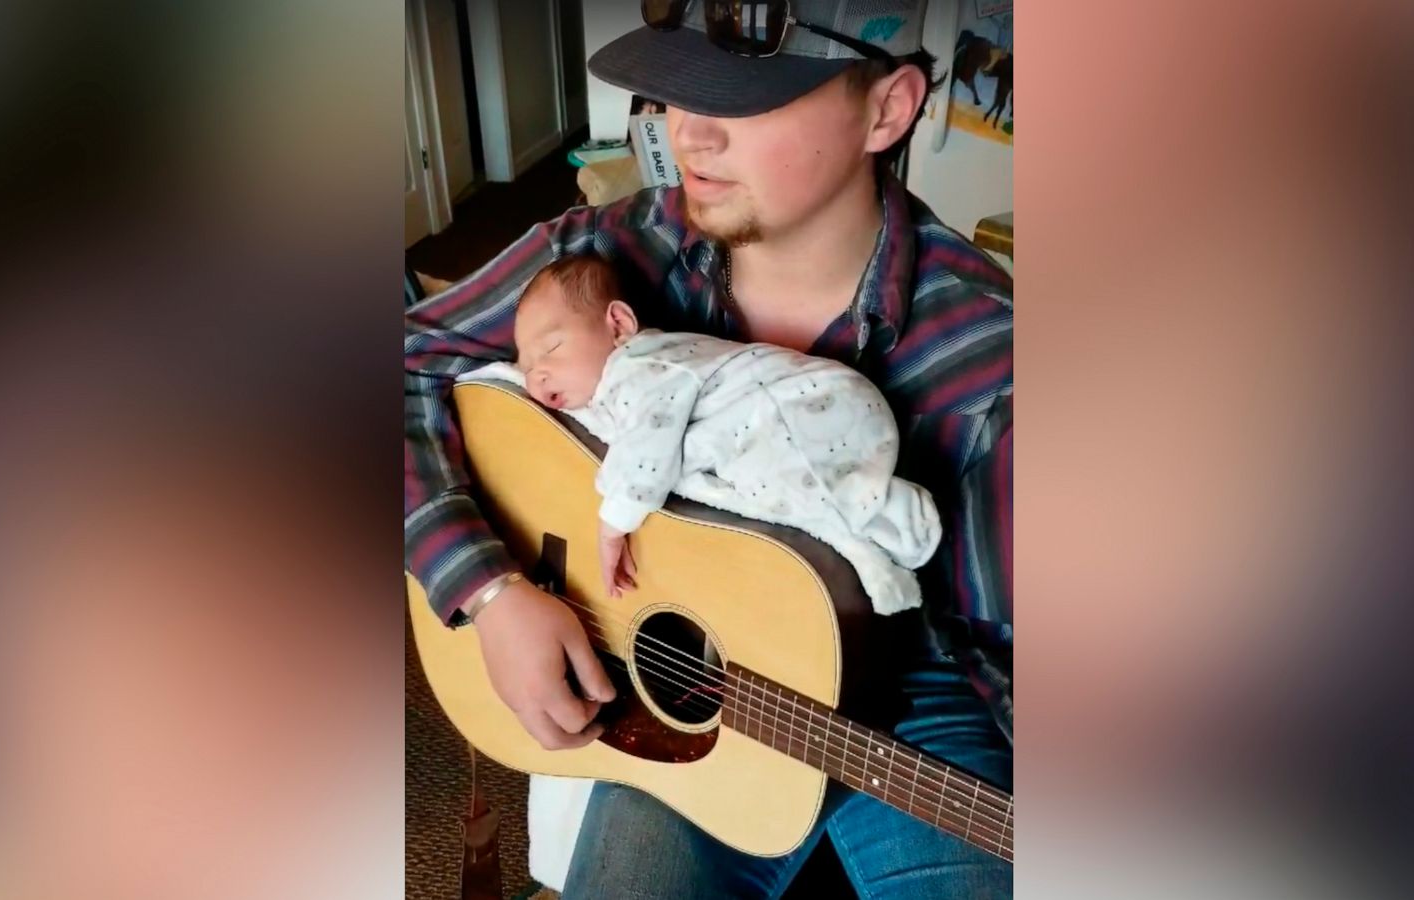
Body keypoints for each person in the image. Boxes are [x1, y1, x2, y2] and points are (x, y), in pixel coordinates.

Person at [405, 1, 1012, 896]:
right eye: (678, 95)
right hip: (684, 668)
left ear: (886, 111)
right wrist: (488, 591)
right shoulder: (611, 252)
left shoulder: (992, 360)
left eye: (744, 101)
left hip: (917, 690)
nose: (688, 136)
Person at [490, 253, 941, 613]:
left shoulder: (641, 366)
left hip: (812, 401)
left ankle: (879, 508)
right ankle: (862, 515)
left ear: (619, 326)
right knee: (768, 480)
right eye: (527, 367)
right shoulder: (610, 383)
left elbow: (649, 444)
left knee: (776, 470)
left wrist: (613, 525)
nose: (538, 375)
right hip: (829, 410)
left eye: (550, 348)